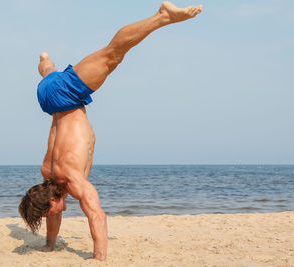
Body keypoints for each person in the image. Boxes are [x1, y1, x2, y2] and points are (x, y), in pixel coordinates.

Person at [19, 1, 203, 260]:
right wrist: (50, 245)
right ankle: (45, 61)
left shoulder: (72, 179)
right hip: (47, 98)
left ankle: (162, 16)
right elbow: (55, 210)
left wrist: (99, 257)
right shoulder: (47, 174)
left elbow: (97, 215)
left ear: (51, 200)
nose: (54, 215)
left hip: (67, 96)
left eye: (49, 212)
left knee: (112, 54)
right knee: (50, 72)